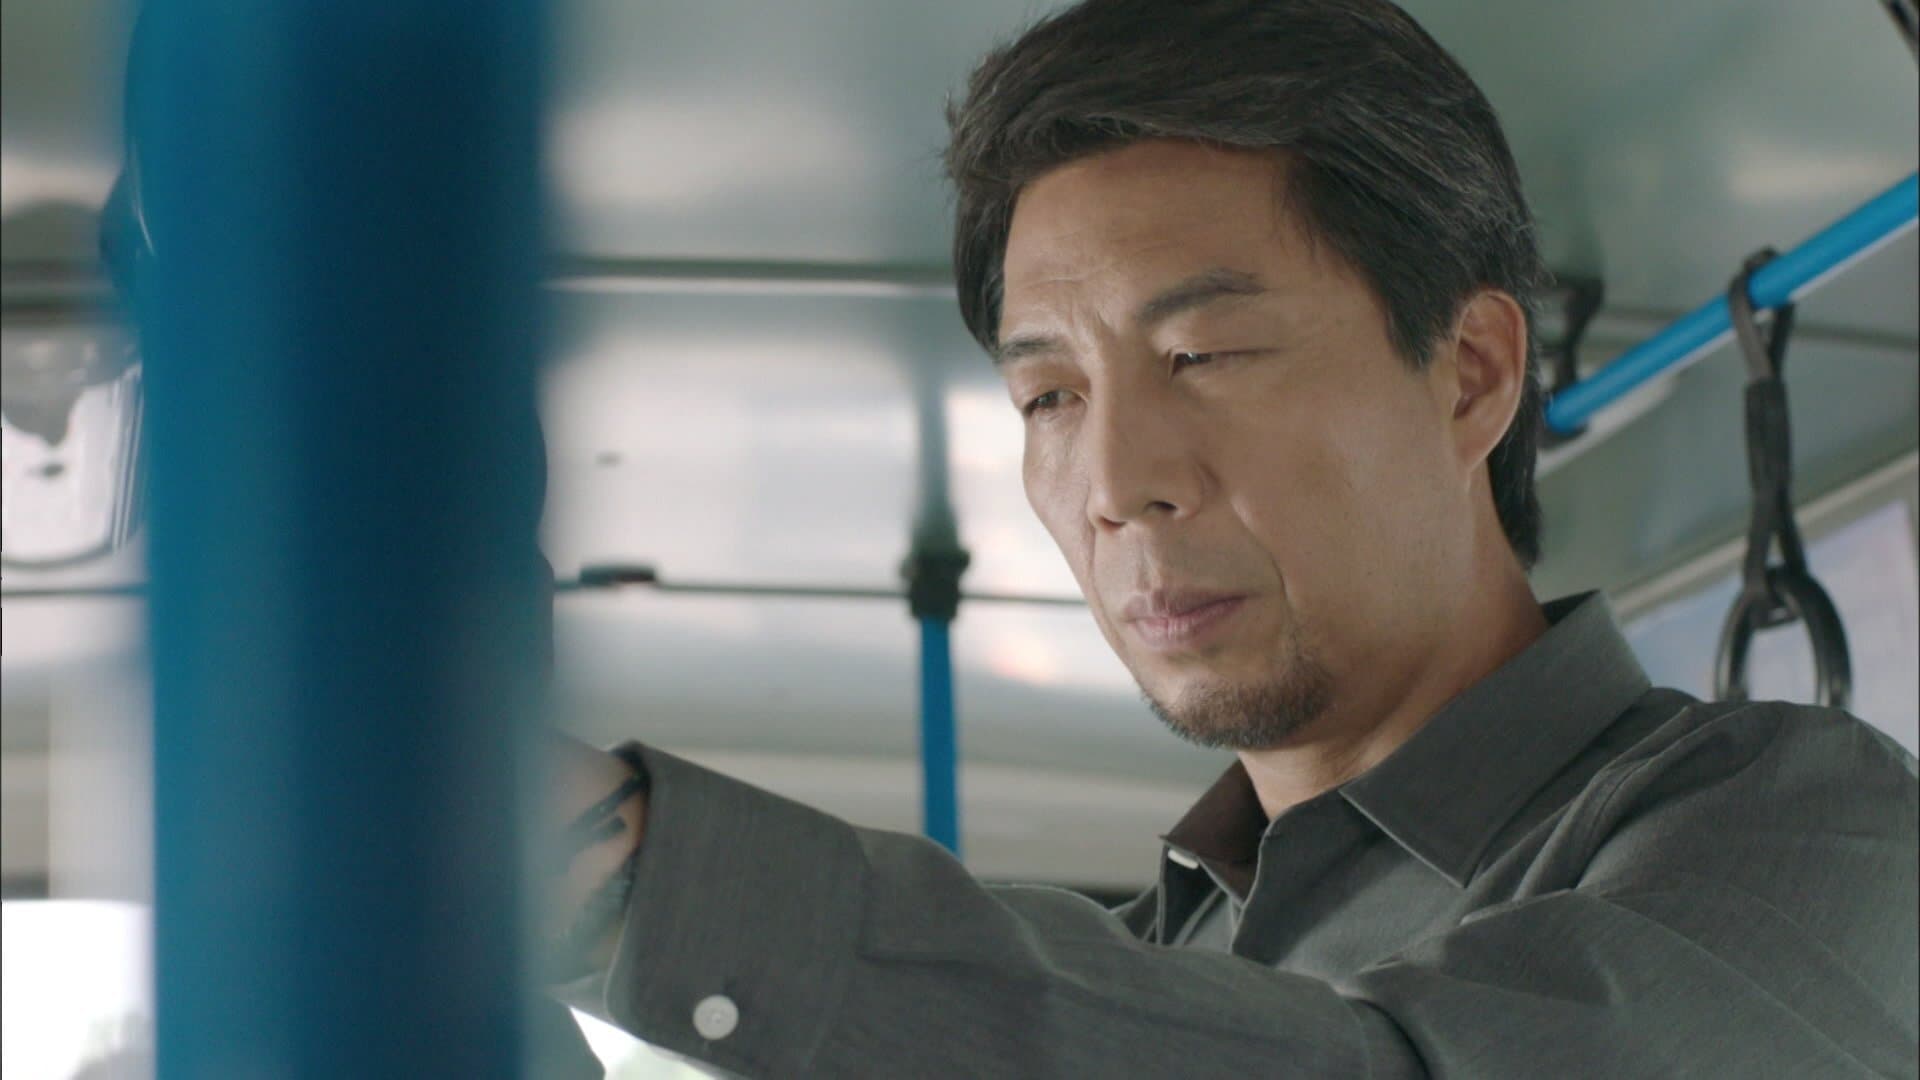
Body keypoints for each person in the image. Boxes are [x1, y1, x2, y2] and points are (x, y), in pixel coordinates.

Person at [543, 0, 1919, 1075]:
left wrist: (629, 875)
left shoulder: (1813, 834)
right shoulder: (1158, 960)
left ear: (1470, 376)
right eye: (1050, 397)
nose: (1116, 483)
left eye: (1202, 354)